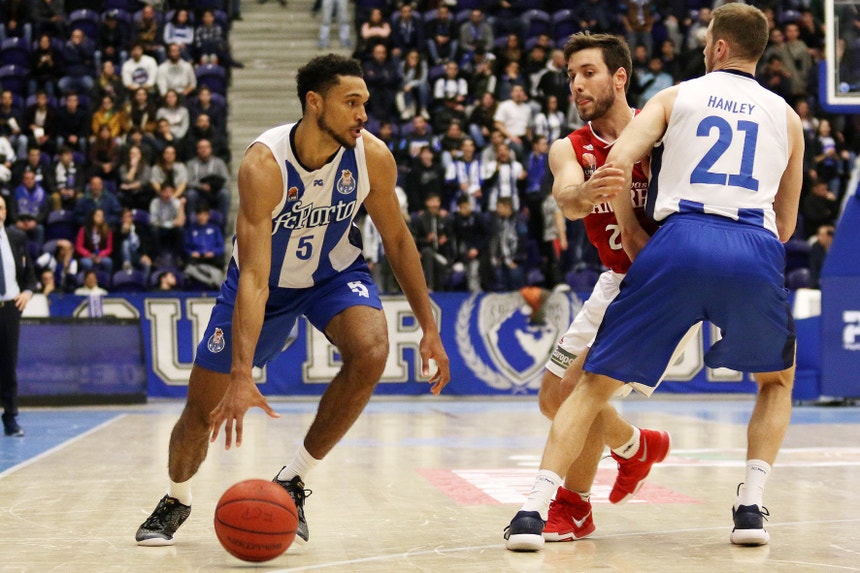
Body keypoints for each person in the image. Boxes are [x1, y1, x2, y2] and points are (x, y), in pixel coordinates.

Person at [505, 4, 804, 551]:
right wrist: (585, 197)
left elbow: (624, 157)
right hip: (641, 270)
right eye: (570, 75)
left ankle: (565, 506)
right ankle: (639, 448)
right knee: (556, 394)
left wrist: (646, 233)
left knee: (586, 389)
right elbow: (569, 198)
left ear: (620, 77)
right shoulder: (569, 146)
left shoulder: (672, 110)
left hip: (666, 262)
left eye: (587, 72)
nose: (576, 84)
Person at [135, 54, 450, 546]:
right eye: (351, 103)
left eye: (365, 103)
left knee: (372, 351)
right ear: (314, 102)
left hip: (334, 274)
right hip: (267, 286)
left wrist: (428, 326)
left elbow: (399, 241)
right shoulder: (264, 164)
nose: (363, 114)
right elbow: (256, 278)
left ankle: (294, 478)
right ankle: (177, 497)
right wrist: (242, 373)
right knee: (202, 410)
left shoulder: (372, 155)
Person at [0, 195, 36, 437]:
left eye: (1, 207)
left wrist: (27, 292)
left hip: (10, 307)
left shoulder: (16, 237)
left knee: (8, 365)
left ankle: (10, 418)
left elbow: (30, 274)